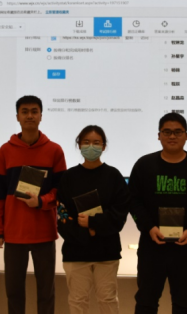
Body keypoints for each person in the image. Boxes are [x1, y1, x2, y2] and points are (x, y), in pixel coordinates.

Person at [128, 112, 187, 314]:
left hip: (185, 246)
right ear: (158, 135)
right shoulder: (144, 165)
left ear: (186, 135)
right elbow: (133, 200)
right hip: (151, 246)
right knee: (146, 302)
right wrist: (149, 227)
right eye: (167, 132)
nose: (172, 136)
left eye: (178, 132)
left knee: (184, 302)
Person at [0, 95, 67, 314]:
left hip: (44, 232)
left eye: (34, 111)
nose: (30, 116)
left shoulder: (54, 150)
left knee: (46, 291)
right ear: (17, 117)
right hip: (14, 233)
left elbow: (61, 191)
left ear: (41, 116)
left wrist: (41, 201)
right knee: (14, 291)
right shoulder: (5, 151)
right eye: (25, 112)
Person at [56, 125, 130, 314]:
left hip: (107, 253)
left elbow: (120, 214)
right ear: (79, 145)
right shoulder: (68, 177)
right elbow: (62, 215)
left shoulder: (114, 176)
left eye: (96, 143)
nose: (91, 147)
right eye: (86, 142)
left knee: (108, 300)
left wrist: (93, 223)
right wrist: (86, 233)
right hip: (76, 253)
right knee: (77, 301)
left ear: (104, 146)